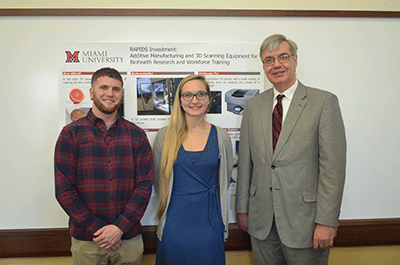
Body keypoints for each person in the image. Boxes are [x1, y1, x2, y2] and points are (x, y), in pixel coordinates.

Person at [236, 34, 346, 264]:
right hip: (261, 223)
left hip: (306, 224)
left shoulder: (324, 102)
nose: (276, 64)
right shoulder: (253, 107)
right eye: (269, 59)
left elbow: (332, 169)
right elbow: (246, 162)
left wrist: (326, 222)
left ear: (295, 60)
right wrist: (242, 209)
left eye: (283, 57)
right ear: (264, 66)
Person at [55, 67, 154, 265]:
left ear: (122, 94)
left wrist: (118, 228)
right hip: (87, 240)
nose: (110, 93)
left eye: (116, 89)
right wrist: (98, 229)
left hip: (128, 240)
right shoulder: (71, 134)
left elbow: (144, 186)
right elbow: (64, 190)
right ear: (92, 92)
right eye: (104, 87)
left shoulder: (137, 135)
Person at [153, 75, 233, 264]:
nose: (194, 100)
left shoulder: (221, 137)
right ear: (180, 100)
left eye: (200, 94)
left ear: (208, 99)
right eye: (187, 95)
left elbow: (225, 179)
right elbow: (159, 181)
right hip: (174, 222)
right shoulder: (164, 136)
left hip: (210, 221)